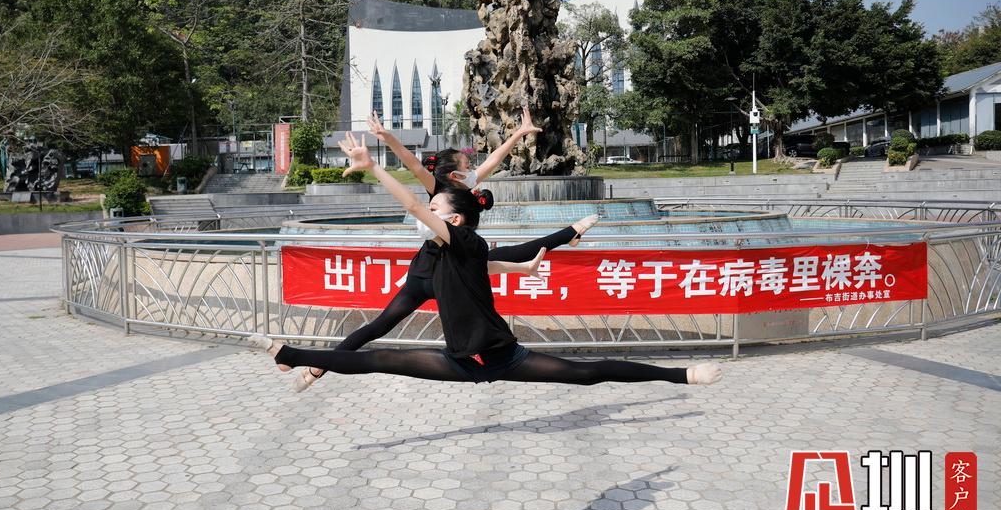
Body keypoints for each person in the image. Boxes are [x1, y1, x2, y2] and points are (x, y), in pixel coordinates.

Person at [250, 133, 722, 388]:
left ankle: (681, 375)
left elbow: (414, 205)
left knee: (589, 373)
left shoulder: (462, 242)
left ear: (455, 220)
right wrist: (524, 269)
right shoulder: (448, 252)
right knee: (380, 359)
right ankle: (290, 356)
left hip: (505, 358)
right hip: (461, 363)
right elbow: (493, 265)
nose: (428, 210)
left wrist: (374, 167)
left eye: (437, 208)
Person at [288, 108, 599, 392]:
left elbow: (494, 160)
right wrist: (387, 137)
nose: (473, 168)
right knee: (380, 325)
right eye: (467, 165)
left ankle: (568, 234)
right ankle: (319, 366)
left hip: (454, 271)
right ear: (453, 173)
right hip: (427, 273)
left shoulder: (465, 191)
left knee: (508, 253)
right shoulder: (438, 189)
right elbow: (412, 164)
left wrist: (518, 133)